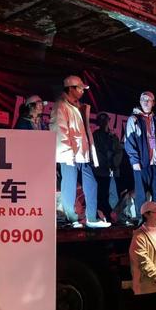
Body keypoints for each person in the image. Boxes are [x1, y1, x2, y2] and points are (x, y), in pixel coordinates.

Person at [50, 75, 110, 229]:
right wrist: (67, 153)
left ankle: (91, 218)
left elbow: (84, 132)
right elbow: (59, 130)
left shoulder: (79, 106)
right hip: (69, 154)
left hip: (82, 154)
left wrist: (88, 151)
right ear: (70, 88)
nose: (83, 91)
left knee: (92, 184)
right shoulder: (61, 105)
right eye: (80, 88)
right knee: (69, 187)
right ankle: (71, 219)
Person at [125, 91, 156, 219]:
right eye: (143, 99)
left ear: (153, 103)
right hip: (141, 163)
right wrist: (134, 161)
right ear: (140, 102)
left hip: (155, 163)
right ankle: (142, 220)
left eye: (148, 100)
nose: (145, 102)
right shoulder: (134, 119)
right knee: (141, 194)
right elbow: (129, 142)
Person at [92, 113, 123, 221]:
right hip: (101, 171)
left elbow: (119, 151)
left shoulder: (113, 136)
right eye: (101, 120)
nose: (104, 122)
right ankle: (103, 215)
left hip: (113, 171)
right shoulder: (95, 135)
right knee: (101, 194)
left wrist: (114, 164)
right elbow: (96, 151)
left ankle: (112, 215)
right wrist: (105, 164)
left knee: (113, 194)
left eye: (105, 120)